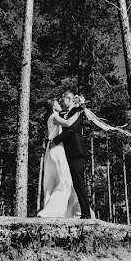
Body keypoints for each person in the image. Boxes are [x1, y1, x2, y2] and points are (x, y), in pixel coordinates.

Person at [51, 91, 93, 220]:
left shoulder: (77, 111)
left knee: (78, 182)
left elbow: (72, 129)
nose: (61, 102)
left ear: (69, 99)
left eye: (62, 100)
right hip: (66, 152)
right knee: (68, 182)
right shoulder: (64, 114)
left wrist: (56, 140)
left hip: (77, 152)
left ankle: (86, 214)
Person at [37, 99, 81, 218]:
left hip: (51, 150)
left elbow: (48, 135)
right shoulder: (55, 117)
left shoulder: (50, 118)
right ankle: (54, 210)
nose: (59, 104)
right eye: (57, 103)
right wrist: (78, 112)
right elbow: (68, 124)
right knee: (64, 180)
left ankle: (70, 211)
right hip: (57, 150)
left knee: (54, 181)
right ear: (53, 107)